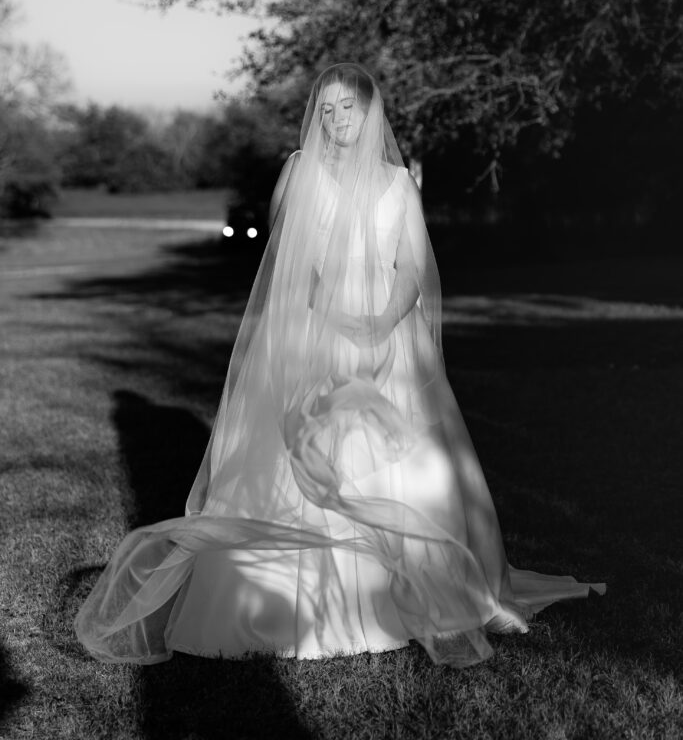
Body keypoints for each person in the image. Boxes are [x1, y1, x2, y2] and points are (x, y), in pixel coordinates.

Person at [75, 63, 604, 668]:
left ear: (371, 111)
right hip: (311, 332)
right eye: (324, 108)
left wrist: (381, 325)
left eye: (346, 107)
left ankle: (408, 596)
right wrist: (330, 315)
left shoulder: (398, 181)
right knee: (306, 463)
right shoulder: (299, 170)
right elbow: (284, 255)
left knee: (404, 467)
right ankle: (291, 608)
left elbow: (412, 266)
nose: (334, 118)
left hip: (388, 334)